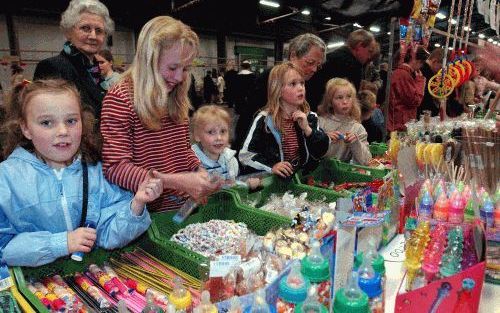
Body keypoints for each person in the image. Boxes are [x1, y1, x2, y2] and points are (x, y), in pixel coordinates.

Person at [0, 79, 161, 267]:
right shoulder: (7, 178)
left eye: (71, 121)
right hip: (34, 285)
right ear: (26, 128)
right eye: (46, 122)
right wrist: (62, 243)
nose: (62, 131)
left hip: (87, 278)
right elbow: (4, 247)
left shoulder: (96, 170)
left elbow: (108, 235)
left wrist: (137, 205)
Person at [100, 16, 220, 212]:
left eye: (186, 69)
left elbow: (183, 150)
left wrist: (198, 171)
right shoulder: (120, 99)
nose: (180, 77)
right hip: (144, 215)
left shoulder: (174, 96)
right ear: (149, 60)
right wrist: (173, 181)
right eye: (172, 68)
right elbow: (115, 168)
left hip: (179, 207)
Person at [233, 33, 326, 151]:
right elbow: (249, 119)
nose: (314, 69)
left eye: (318, 65)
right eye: (310, 62)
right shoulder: (269, 78)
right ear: (293, 55)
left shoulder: (313, 81)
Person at [239, 62, 329, 177]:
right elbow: (245, 155)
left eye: (302, 83)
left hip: (303, 179)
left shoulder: (310, 117)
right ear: (278, 89)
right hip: (275, 182)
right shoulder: (264, 119)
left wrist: (308, 130)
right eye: (293, 84)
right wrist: (272, 166)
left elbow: (322, 150)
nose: (300, 88)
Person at [33, 0, 113, 120]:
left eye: (99, 31)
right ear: (68, 32)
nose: (93, 36)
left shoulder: (95, 69)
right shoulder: (53, 67)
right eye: (85, 28)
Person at [308, 29, 377, 108]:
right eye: (369, 51)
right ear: (359, 46)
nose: (369, 56)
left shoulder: (330, 56)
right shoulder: (354, 66)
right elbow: (350, 102)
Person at [318, 78, 372, 165]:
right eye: (339, 97)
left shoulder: (357, 128)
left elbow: (367, 161)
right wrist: (324, 139)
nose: (345, 102)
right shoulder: (320, 123)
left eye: (349, 97)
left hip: (343, 175)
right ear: (330, 102)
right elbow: (311, 153)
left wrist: (356, 144)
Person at [387, 46, 429, 132]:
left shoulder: (402, 73)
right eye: (422, 63)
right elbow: (415, 100)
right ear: (418, 61)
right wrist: (420, 82)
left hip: (399, 122)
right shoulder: (403, 74)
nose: (421, 67)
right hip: (399, 124)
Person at [191, 105, 238, 180]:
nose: (219, 138)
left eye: (223, 131)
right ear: (197, 136)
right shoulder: (191, 164)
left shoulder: (231, 161)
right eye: (211, 132)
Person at [232, 60, 257, 150]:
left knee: (237, 122)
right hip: (250, 105)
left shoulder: (237, 77)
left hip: (239, 103)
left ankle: (237, 138)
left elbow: (234, 90)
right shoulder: (253, 77)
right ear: (249, 66)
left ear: (242, 66)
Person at [417, 48, 444, 117]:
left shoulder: (424, 70)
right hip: (424, 114)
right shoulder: (426, 72)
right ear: (435, 61)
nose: (440, 71)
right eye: (440, 68)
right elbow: (427, 97)